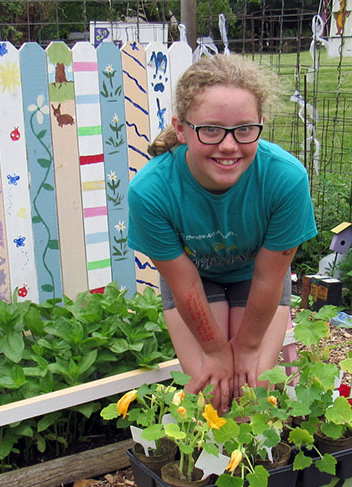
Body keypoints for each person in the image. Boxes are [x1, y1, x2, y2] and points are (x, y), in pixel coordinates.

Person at [128, 54, 317, 410]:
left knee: (251, 389)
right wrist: (216, 351)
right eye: (211, 130)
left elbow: (268, 277)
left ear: (261, 124)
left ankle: (251, 459)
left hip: (256, 278)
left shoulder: (286, 180)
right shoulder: (150, 191)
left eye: (245, 129)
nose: (229, 146)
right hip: (196, 279)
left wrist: (245, 349)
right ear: (181, 129)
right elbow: (184, 284)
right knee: (213, 393)